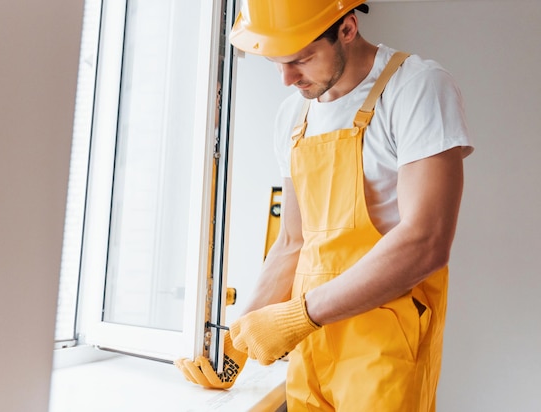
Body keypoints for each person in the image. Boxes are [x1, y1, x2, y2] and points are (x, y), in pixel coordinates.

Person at [176, 0, 474, 410]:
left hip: (384, 342)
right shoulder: (293, 116)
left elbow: (426, 241)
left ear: (347, 29)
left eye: (301, 59)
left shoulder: (416, 87)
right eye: (277, 62)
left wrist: (298, 316)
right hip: (310, 344)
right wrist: (236, 342)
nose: (286, 78)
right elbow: (292, 243)